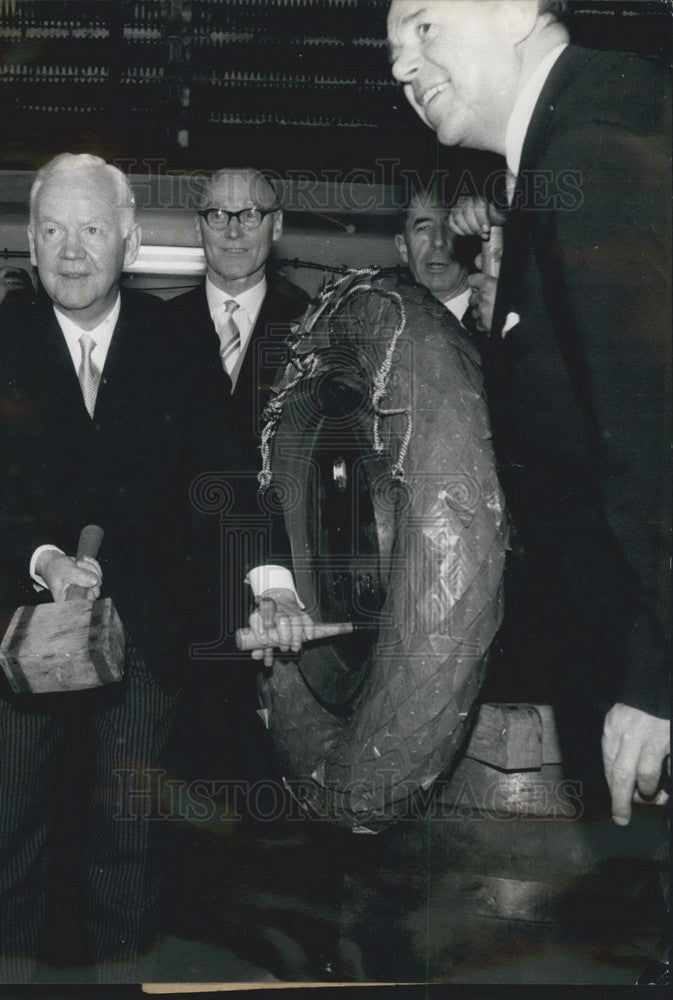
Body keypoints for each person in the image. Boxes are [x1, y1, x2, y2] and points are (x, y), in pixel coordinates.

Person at [386, 0, 670, 826]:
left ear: (514, 10)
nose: (402, 66)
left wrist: (657, 675)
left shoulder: (595, 145)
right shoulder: (565, 148)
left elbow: (656, 425)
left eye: (423, 27)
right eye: (395, 47)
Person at [0, 153, 195, 981]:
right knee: (8, 828)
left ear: (130, 240)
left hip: (144, 626)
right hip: (15, 626)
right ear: (29, 241)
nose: (70, 251)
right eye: (52, 230)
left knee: (132, 837)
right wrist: (43, 559)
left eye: (90, 230)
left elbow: (217, 473)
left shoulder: (174, 340)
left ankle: (125, 980)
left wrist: (267, 582)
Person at [167, 168, 309, 799]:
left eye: (249, 213)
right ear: (198, 227)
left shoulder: (316, 327)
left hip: (282, 616)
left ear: (275, 227)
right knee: (165, 826)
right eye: (217, 215)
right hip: (175, 624)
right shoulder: (152, 331)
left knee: (276, 824)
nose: (232, 228)